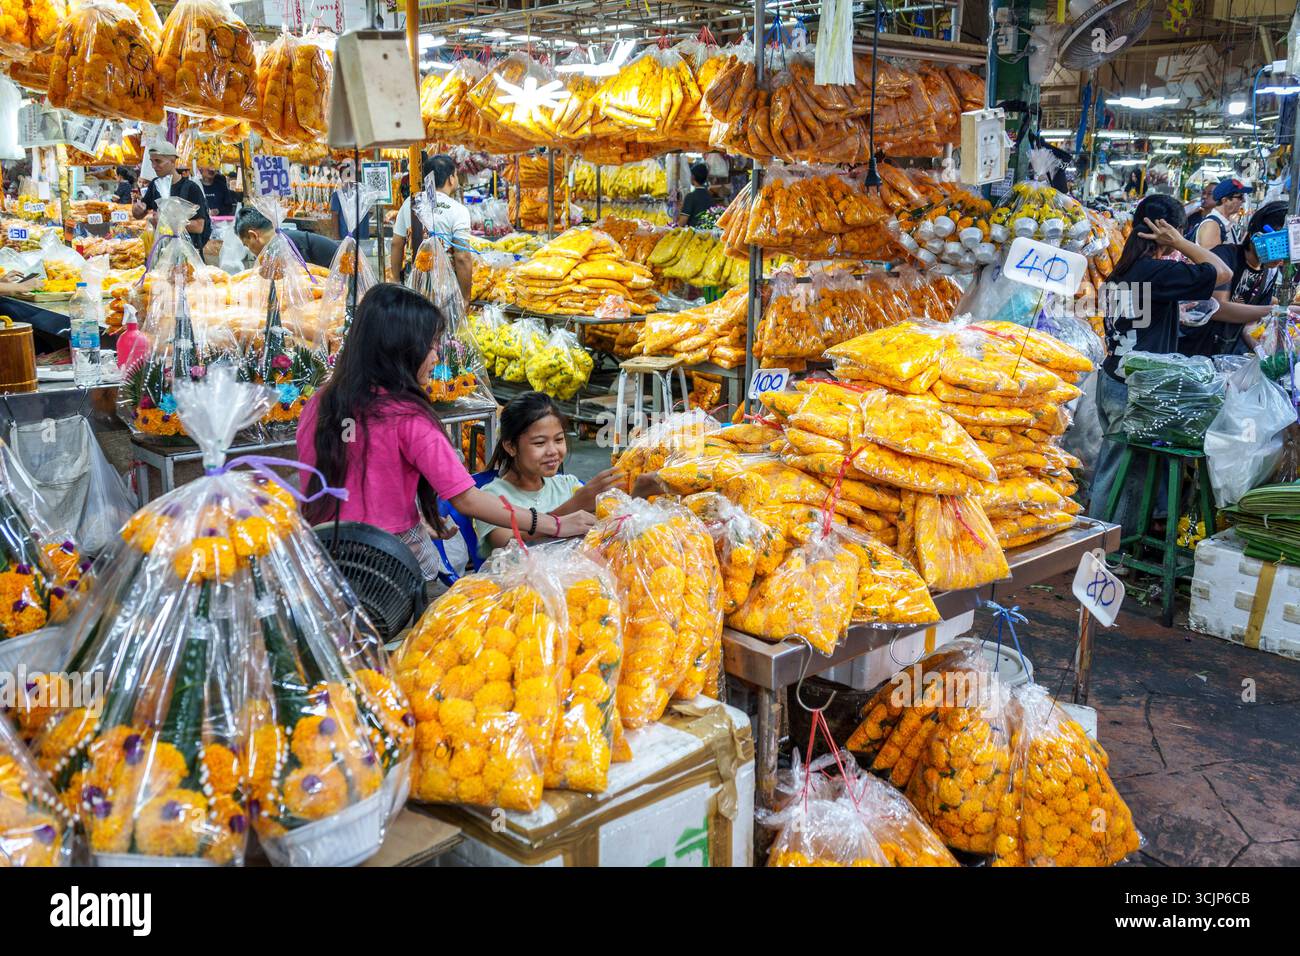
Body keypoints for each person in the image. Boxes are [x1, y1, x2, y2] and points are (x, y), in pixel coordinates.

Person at [297, 284, 595, 582]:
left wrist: (412, 515)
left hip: (321, 559)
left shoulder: (321, 402)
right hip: (386, 571)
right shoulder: (408, 417)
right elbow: (468, 500)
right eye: (431, 345)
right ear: (402, 349)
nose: (436, 357)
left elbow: (352, 480)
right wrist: (555, 525)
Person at [1088, 194, 1232, 534]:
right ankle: (1108, 553)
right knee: (1126, 477)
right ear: (1165, 231)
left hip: (1112, 379)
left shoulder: (1125, 269)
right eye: (1176, 233)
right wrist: (1181, 241)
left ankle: (1100, 546)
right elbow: (1223, 272)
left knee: (1113, 469)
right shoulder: (1157, 271)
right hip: (1135, 391)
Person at [471, 392, 660, 561]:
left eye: (559, 440)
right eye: (539, 443)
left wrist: (638, 495)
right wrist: (575, 505)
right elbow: (510, 545)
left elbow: (610, 531)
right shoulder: (490, 498)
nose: (553, 451)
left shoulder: (567, 484)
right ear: (511, 447)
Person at [1180, 200, 1289, 357]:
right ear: (1254, 236)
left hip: (1227, 353)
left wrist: (1263, 351)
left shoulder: (1269, 274)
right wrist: (1277, 310)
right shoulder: (1225, 256)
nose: (1281, 258)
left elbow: (1250, 323)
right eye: (1278, 246)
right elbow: (1218, 308)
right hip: (1195, 348)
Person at [390, 154, 472, 304]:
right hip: (445, 292)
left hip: (412, 286)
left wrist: (395, 279)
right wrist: (465, 297)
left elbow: (396, 243)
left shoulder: (410, 202)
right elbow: (462, 257)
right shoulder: (458, 210)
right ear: (451, 178)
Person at [132, 141, 211, 250]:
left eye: (158, 161)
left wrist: (166, 222)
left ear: (172, 161)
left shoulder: (192, 188)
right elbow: (139, 214)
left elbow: (198, 227)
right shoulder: (155, 185)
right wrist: (137, 210)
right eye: (152, 161)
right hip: (161, 251)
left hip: (186, 254)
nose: (153, 166)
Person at [233, 206, 340, 268]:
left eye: (246, 245)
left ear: (253, 235)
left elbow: (303, 284)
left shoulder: (287, 244)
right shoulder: (278, 241)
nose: (250, 250)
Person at [1195, 178, 1252, 249]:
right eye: (1240, 197)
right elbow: (1210, 259)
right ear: (1225, 200)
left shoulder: (1225, 224)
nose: (1243, 201)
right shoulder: (1212, 226)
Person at [676, 162, 715, 228]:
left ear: (693, 177)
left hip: (694, 234)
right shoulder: (710, 195)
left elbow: (683, 221)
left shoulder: (690, 196)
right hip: (707, 233)